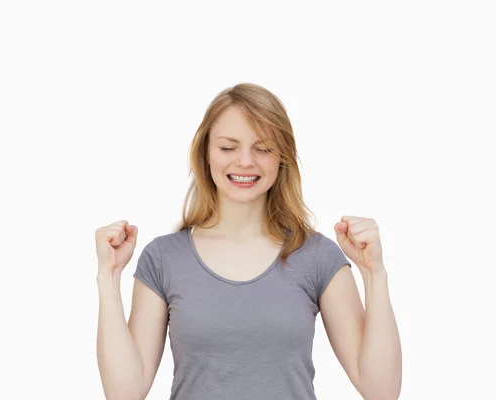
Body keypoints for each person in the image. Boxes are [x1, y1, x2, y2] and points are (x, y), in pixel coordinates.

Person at [95, 83, 402, 400]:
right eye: (228, 147)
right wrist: (109, 276)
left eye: (263, 148)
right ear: (206, 153)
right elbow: (125, 394)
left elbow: (381, 391)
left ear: (281, 157)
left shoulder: (319, 257)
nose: (244, 161)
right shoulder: (162, 258)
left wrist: (374, 274)